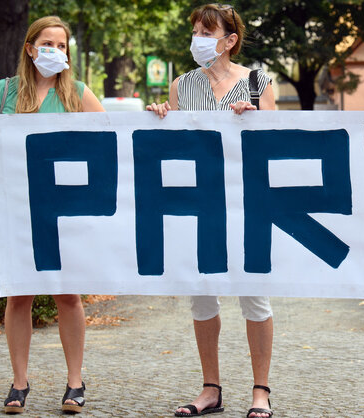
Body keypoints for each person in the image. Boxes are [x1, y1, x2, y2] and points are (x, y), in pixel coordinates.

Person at [147, 4, 276, 418]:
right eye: (196, 31)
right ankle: (211, 390)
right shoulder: (182, 86)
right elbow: (175, 150)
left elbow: (279, 146)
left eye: (208, 31)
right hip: (198, 205)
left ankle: (261, 392)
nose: (198, 38)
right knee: (202, 298)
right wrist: (162, 119)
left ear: (230, 40)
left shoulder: (258, 82)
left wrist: (256, 121)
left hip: (248, 204)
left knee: (254, 297)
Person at [0, 15, 104, 415]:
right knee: (19, 294)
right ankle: (18, 383)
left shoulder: (77, 93)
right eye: (48, 44)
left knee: (67, 293)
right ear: (30, 49)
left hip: (62, 209)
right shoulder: (3, 90)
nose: (56, 51)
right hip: (15, 205)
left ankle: (75, 382)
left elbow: (117, 137)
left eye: (62, 46)